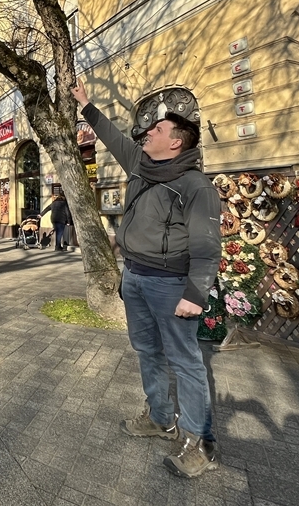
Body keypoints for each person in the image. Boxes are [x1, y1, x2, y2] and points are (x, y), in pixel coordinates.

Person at [71, 80, 222, 479]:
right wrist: (86, 104)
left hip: (171, 286)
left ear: (176, 142)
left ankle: (199, 442)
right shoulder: (141, 167)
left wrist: (196, 293)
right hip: (135, 277)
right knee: (146, 351)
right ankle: (159, 418)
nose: (148, 132)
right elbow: (113, 137)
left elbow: (207, 246)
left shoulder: (196, 186)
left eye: (157, 129)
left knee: (185, 362)